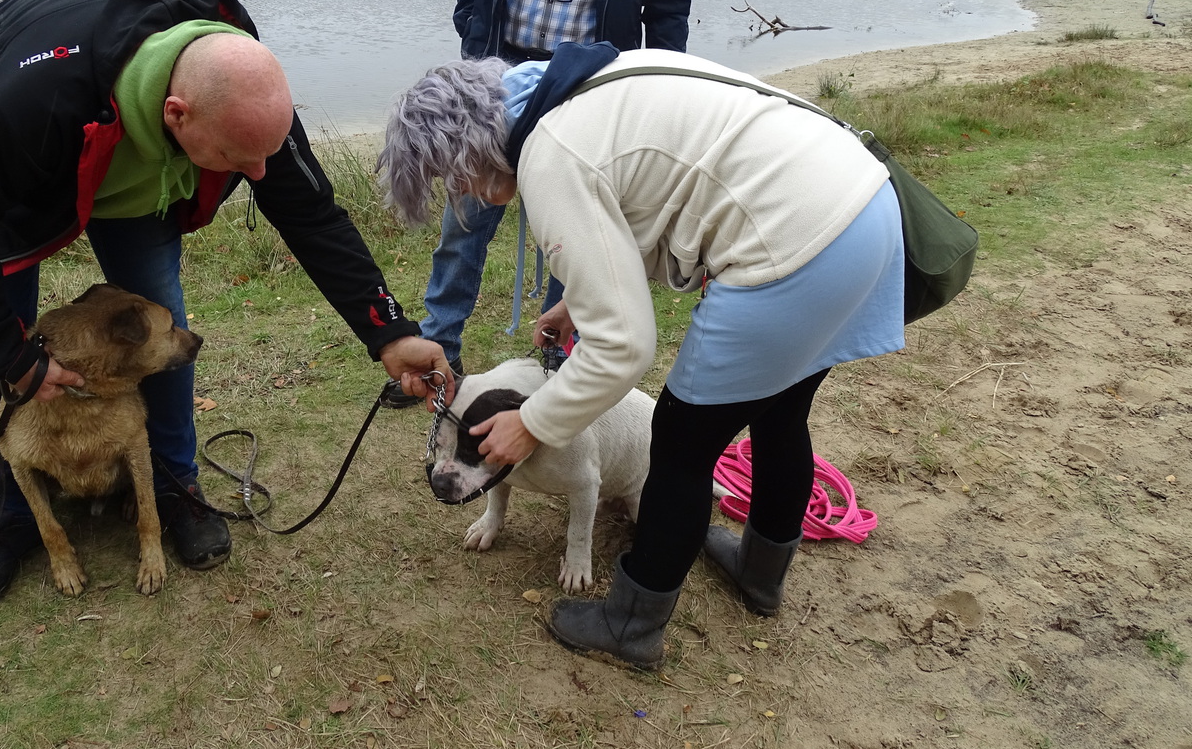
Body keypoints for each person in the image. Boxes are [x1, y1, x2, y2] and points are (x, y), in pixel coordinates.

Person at [0, 0, 450, 615]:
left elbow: (310, 213)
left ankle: (173, 482)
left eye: (262, 158)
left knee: (160, 316)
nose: (257, 176)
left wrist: (390, 332)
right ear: (178, 113)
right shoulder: (29, 103)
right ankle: (15, 514)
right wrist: (13, 354)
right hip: (19, 174)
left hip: (135, 163)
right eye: (237, 159)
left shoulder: (237, 86)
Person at [377, 44, 905, 669]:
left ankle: (632, 623)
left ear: (465, 149)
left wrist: (534, 422)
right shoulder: (578, 83)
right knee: (780, 415)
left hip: (791, 244)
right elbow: (645, 193)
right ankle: (761, 574)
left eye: (453, 180)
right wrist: (581, 298)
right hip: (862, 209)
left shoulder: (550, 157)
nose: (466, 196)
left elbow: (625, 348)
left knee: (680, 442)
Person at [383, 0, 692, 405]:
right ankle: (439, 358)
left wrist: (656, 96)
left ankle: (560, 360)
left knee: (575, 226)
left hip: (588, 90)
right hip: (496, 77)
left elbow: (666, 10)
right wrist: (473, 46)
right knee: (465, 219)